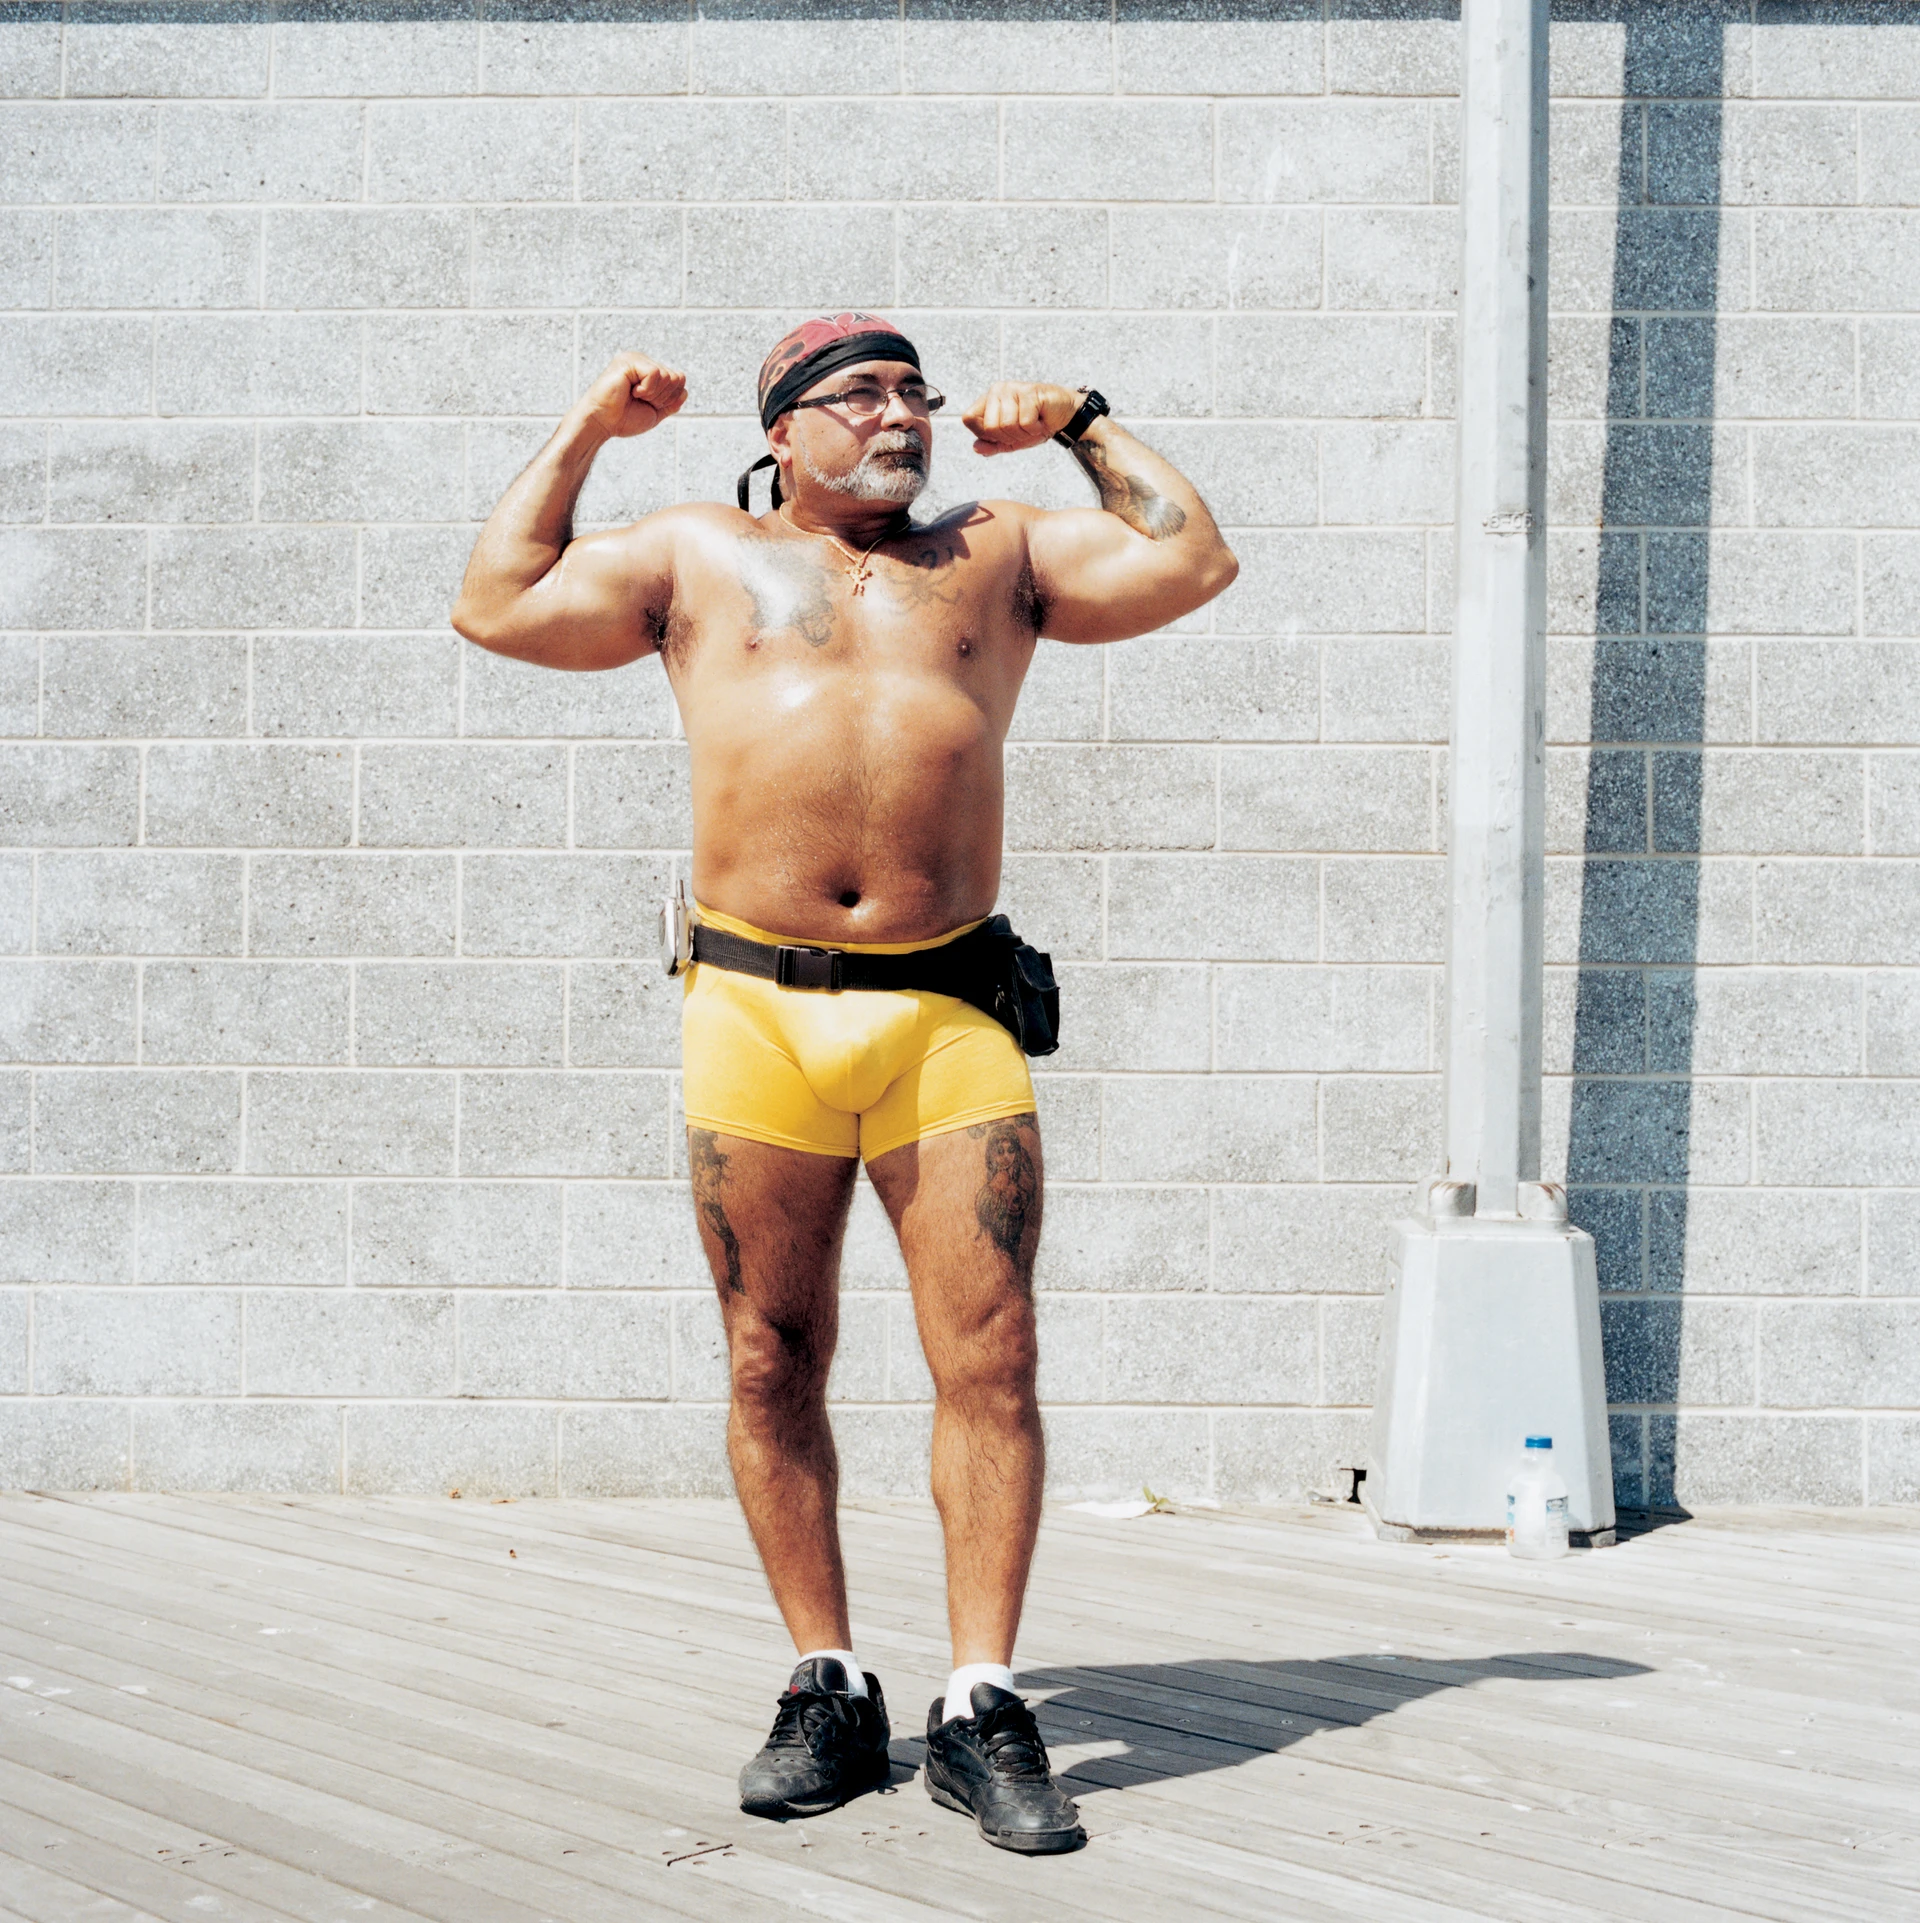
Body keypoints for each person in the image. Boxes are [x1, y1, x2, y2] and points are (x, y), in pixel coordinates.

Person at [452, 312, 1238, 1855]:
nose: (902, 416)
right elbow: (493, 601)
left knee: (991, 1358)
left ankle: (983, 1700)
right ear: (784, 431)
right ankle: (827, 1680)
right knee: (768, 1356)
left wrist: (1082, 420)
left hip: (946, 1011)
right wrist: (592, 427)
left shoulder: (998, 554)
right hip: (756, 1013)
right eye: (861, 394)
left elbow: (1191, 558)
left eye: (916, 393)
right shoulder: (694, 555)